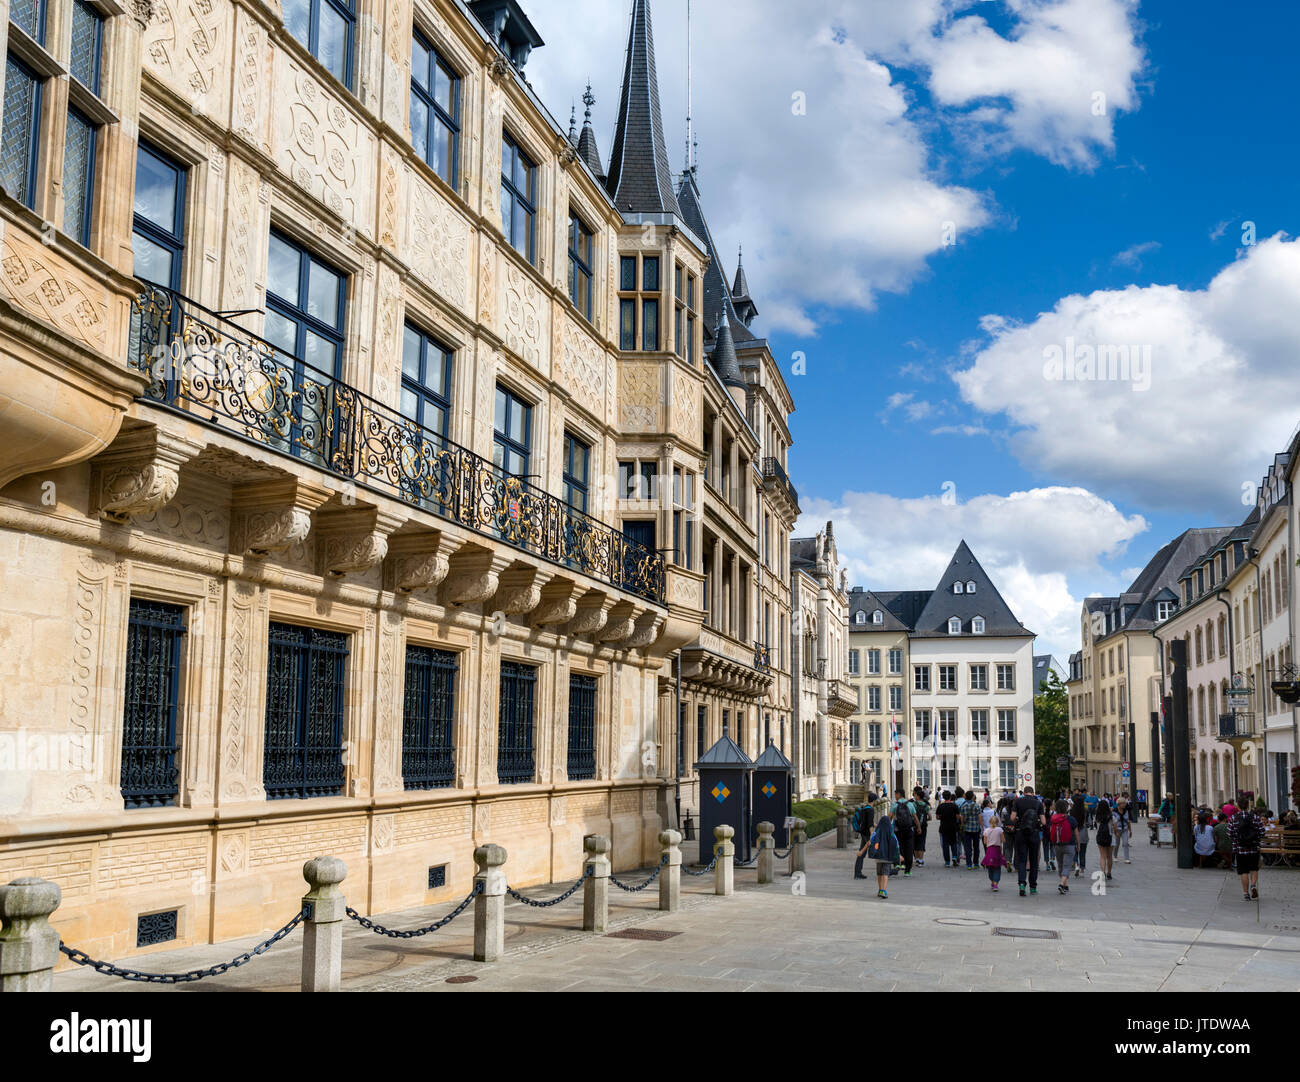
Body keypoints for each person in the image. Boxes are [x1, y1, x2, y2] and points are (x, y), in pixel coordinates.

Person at [1010, 786, 1043, 896]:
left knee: (1022, 860)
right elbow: (1043, 821)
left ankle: (1022, 885)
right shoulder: (1038, 803)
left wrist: (1019, 819)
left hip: (1021, 833)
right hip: (1034, 833)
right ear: (1033, 793)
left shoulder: (1018, 801)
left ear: (1024, 793)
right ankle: (1033, 887)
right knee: (1033, 861)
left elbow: (1012, 817)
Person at [1228, 804, 1264, 901]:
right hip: (1253, 848)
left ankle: (1246, 894)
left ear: (1238, 806)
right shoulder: (1255, 817)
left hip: (1240, 848)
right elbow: (1262, 831)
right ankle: (1253, 885)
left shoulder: (1233, 818)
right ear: (1247, 806)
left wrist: (1237, 840)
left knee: (1243, 871)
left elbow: (1230, 833)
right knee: (1254, 869)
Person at [866, 809, 901, 899]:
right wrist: (898, 855)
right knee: (886, 874)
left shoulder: (876, 832)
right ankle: (884, 890)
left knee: (879, 874)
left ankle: (880, 889)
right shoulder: (891, 833)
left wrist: (863, 851)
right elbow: (896, 844)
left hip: (878, 857)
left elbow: (870, 841)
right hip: (888, 857)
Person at [1050, 799, 1078, 894]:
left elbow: (1051, 831)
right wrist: (1078, 845)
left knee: (1060, 865)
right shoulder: (1071, 819)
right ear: (1066, 808)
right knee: (1067, 866)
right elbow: (1076, 834)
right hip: (1069, 845)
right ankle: (1062, 884)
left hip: (1057, 845)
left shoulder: (1053, 818)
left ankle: (1065, 885)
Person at [893, 793, 918, 876]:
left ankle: (900, 863)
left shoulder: (895, 805)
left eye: (895, 795)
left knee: (899, 847)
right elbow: (915, 817)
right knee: (909, 848)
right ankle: (907, 871)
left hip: (898, 830)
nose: (895, 796)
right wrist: (919, 827)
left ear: (898, 794)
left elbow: (889, 817)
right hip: (909, 830)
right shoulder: (910, 804)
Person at [981, 814, 1008, 891]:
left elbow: (985, 842)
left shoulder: (986, 830)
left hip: (989, 850)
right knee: (997, 867)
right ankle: (995, 883)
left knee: (990, 867)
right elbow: (1004, 840)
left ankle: (992, 881)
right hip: (997, 850)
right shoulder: (1000, 830)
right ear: (998, 822)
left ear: (989, 822)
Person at [936, 791, 962, 867]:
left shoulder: (941, 806)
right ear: (950, 797)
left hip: (943, 827)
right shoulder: (954, 806)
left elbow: (937, 817)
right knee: (954, 843)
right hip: (953, 827)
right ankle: (954, 857)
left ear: (943, 797)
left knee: (945, 845)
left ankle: (947, 862)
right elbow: (958, 816)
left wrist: (942, 817)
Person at [852, 800, 878, 879]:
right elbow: (870, 824)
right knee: (876, 850)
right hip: (867, 834)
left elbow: (867, 822)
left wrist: (878, 825)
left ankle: (857, 872)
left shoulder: (864, 808)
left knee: (862, 852)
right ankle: (886, 869)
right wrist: (872, 835)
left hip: (863, 832)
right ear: (874, 801)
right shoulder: (870, 809)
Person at [961, 789, 982, 869]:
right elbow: (980, 818)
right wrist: (982, 827)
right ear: (973, 796)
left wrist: (963, 825)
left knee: (968, 847)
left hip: (967, 829)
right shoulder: (977, 806)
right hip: (976, 829)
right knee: (976, 847)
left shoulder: (964, 806)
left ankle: (969, 864)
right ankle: (976, 863)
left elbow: (962, 818)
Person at [1095, 799, 1115, 879]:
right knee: (1109, 856)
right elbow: (1115, 827)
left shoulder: (1097, 818)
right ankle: (1109, 873)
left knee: (1102, 856)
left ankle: (1103, 872)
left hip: (1101, 837)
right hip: (1110, 837)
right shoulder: (1111, 816)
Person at [912, 786, 931, 867]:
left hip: (914, 826)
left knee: (915, 842)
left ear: (918, 796)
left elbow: (912, 815)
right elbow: (930, 817)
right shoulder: (926, 805)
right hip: (923, 826)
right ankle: (921, 860)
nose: (914, 796)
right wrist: (925, 820)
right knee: (922, 842)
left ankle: (916, 859)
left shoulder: (914, 804)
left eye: (915, 795)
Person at [1114, 798, 1133, 864]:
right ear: (1119, 804)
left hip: (1125, 829)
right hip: (1117, 829)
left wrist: (1130, 830)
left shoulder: (1126, 811)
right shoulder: (1114, 811)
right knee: (1117, 844)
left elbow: (1128, 821)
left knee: (1125, 843)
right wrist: (1115, 831)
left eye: (1125, 803)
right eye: (1123, 803)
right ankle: (1115, 856)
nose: (1124, 805)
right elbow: (1114, 822)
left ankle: (1127, 859)